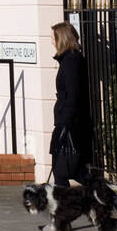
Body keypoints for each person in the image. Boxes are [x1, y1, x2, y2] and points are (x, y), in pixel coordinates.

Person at [49, 21, 92, 185]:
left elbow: (73, 96)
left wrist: (65, 123)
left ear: (62, 39)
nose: (51, 41)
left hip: (69, 124)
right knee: (76, 171)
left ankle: (63, 208)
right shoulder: (70, 60)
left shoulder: (70, 62)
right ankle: (115, 200)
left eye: (53, 37)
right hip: (68, 121)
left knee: (61, 171)